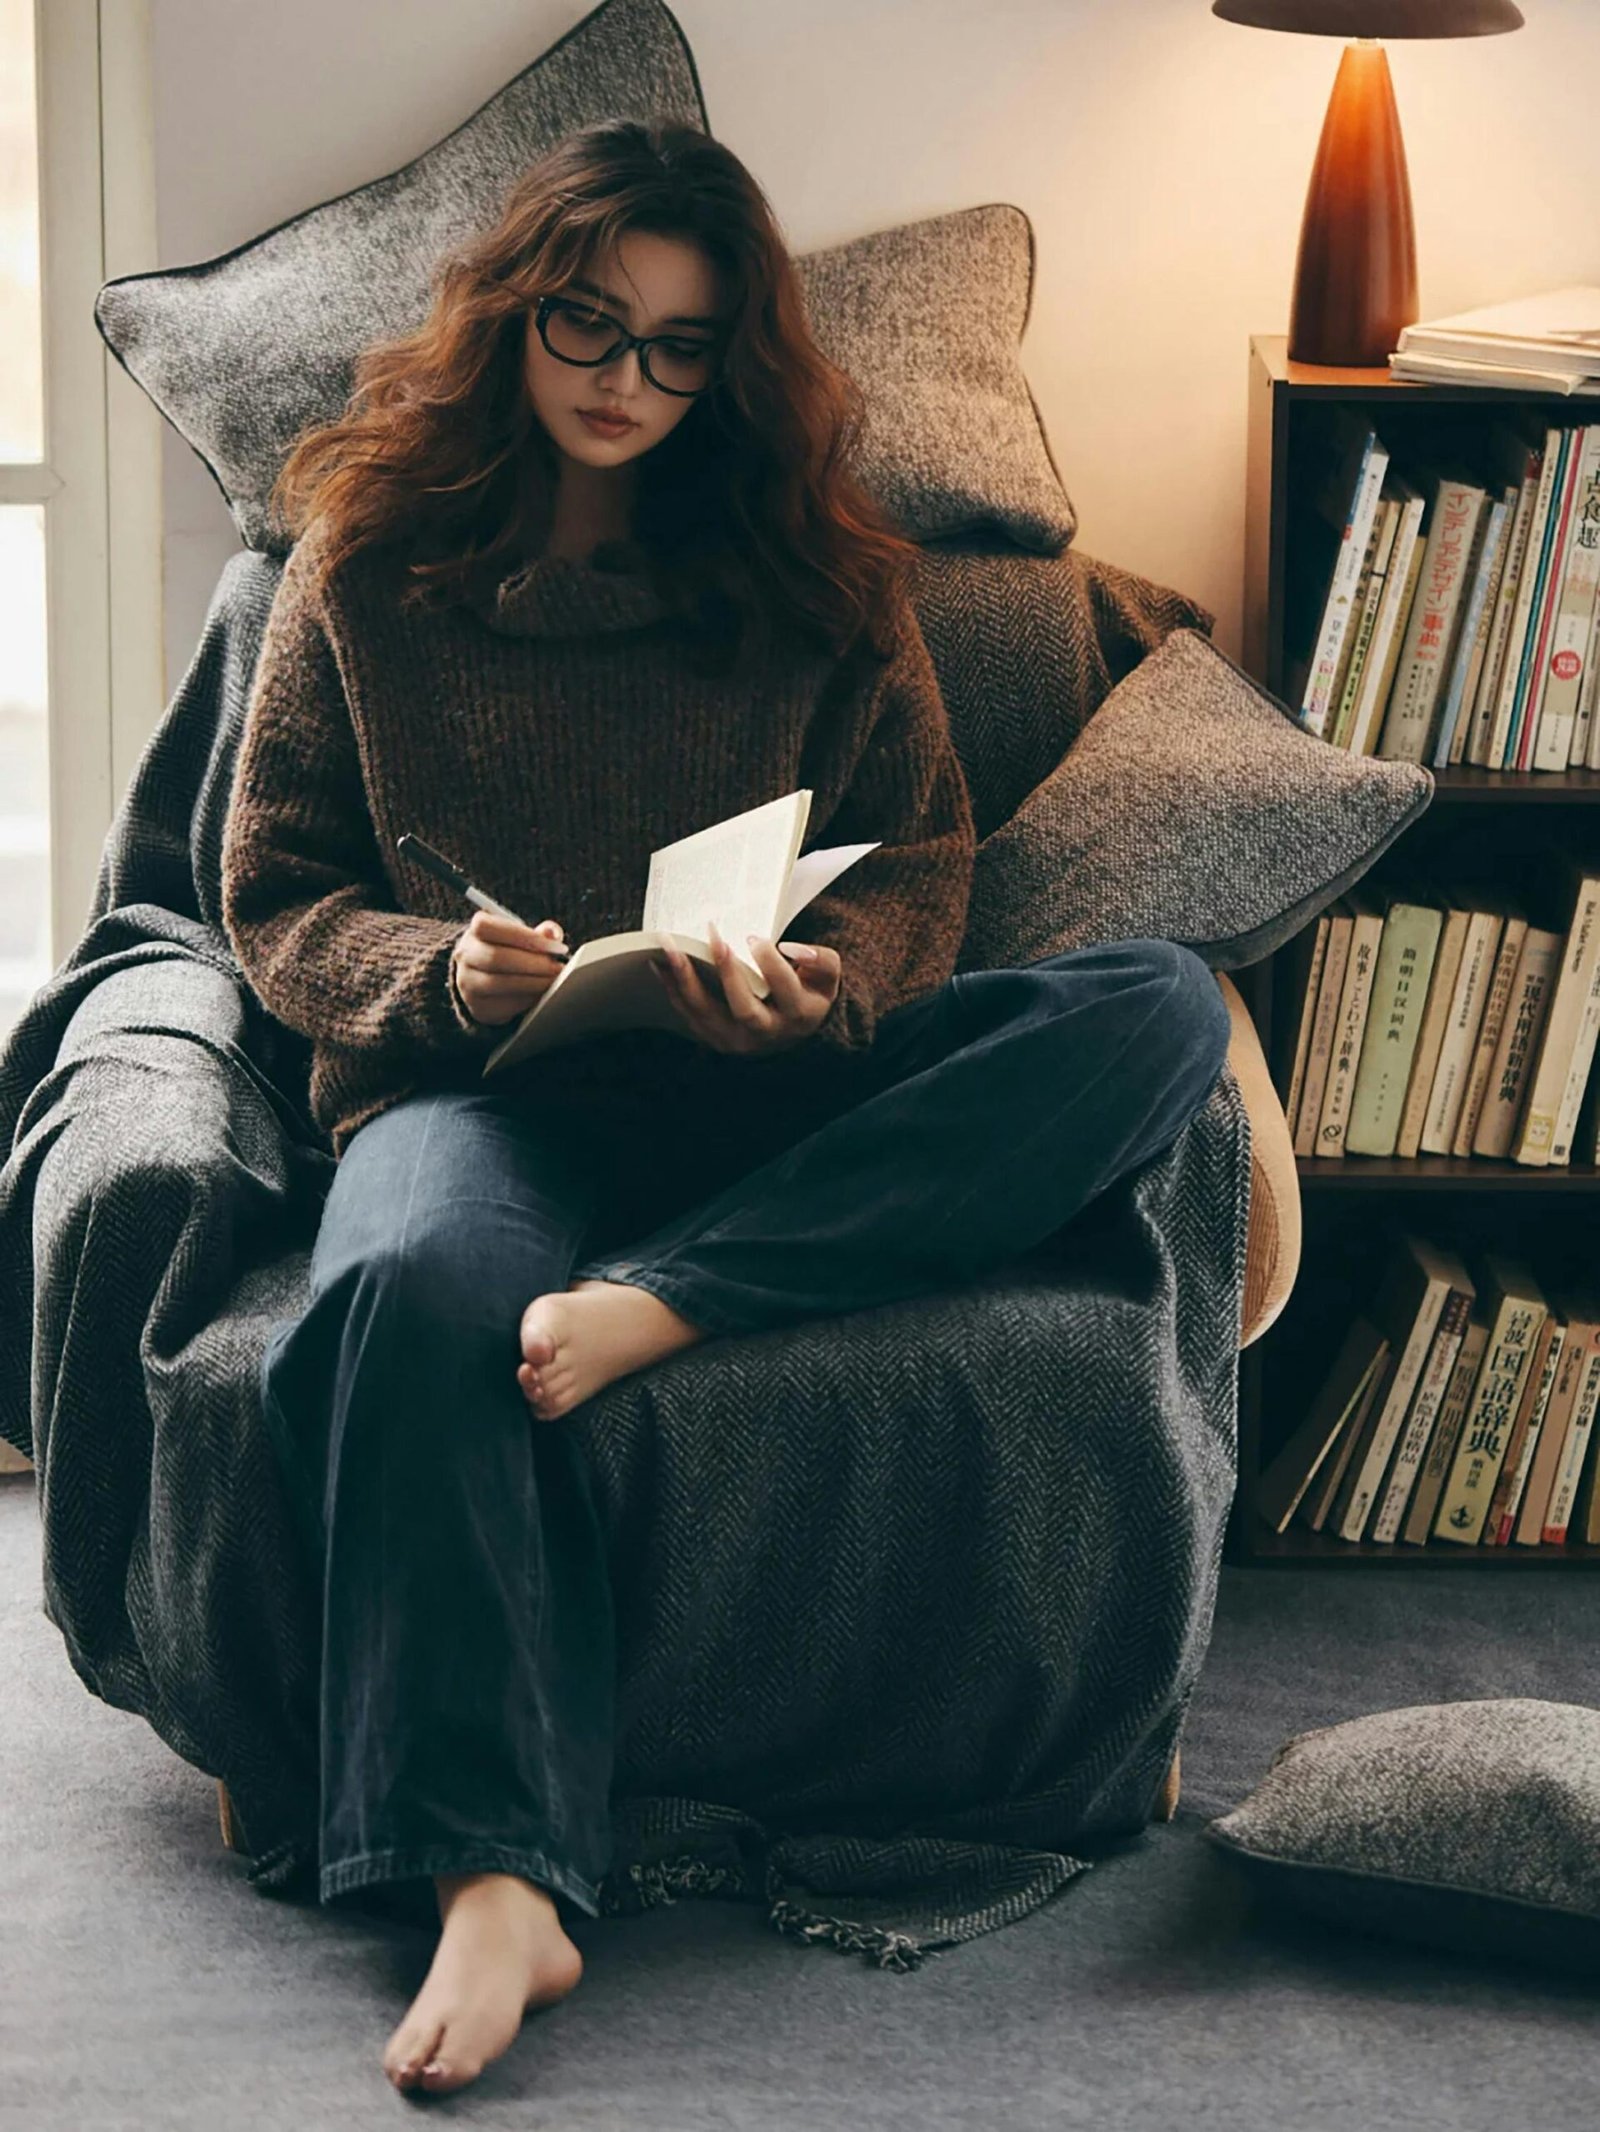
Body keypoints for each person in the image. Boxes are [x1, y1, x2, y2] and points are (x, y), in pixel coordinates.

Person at [222, 117, 1232, 2099]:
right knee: (397, 1297)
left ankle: (681, 1295)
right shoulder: (365, 563)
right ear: (516, 319)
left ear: (729, 367)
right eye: (589, 330)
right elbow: (272, 894)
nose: (624, 381)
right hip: (481, 1100)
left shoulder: (817, 575)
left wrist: (822, 979)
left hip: (759, 1095)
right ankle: (494, 1872)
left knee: (1157, 1007)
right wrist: (441, 973)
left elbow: (918, 863)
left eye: (678, 349)